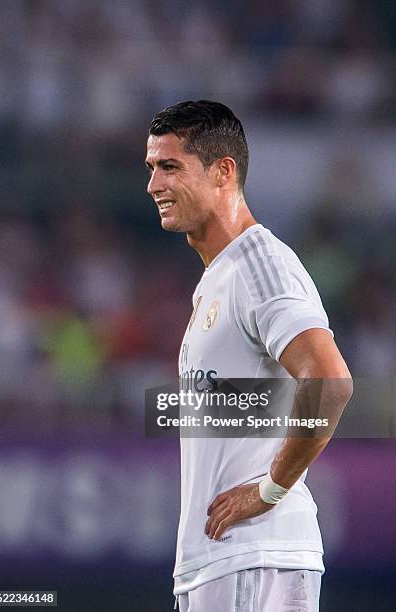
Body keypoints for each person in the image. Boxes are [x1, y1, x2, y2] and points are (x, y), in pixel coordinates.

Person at [145, 100, 352, 612]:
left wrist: (269, 491)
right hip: (220, 561)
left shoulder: (260, 265)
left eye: (169, 166)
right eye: (151, 168)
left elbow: (330, 381)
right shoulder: (218, 279)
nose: (153, 186)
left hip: (257, 556)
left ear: (223, 171)